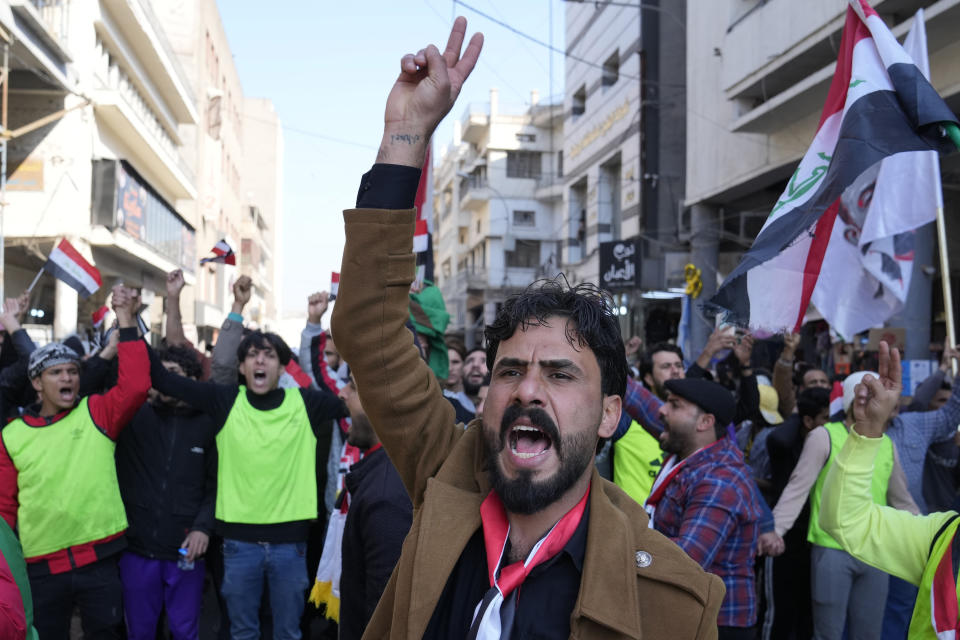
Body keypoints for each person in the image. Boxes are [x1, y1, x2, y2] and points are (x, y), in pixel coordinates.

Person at [331, 17, 723, 639]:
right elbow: (368, 329)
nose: (527, 390)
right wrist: (406, 135)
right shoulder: (449, 469)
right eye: (510, 370)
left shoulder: (674, 605)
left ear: (608, 415)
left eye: (561, 374)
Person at [148, 329, 348, 640]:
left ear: (282, 368)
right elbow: (163, 380)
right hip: (237, 546)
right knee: (242, 633)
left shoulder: (307, 403)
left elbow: (353, 399)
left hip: (290, 545)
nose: (261, 361)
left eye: (269, 355)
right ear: (242, 367)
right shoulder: (224, 400)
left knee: (287, 633)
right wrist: (128, 324)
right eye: (253, 355)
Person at [0, 286, 148, 638]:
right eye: (56, 373)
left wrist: (125, 321)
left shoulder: (96, 412)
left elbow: (137, 386)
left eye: (72, 371)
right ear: (37, 383)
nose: (67, 377)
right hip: (39, 569)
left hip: (100, 562)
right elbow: (4, 512)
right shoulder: (12, 435)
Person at [819, 341, 960, 639]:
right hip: (847, 550)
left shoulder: (916, 425)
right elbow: (846, 520)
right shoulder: (945, 539)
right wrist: (867, 430)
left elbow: (948, 416)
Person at [772, 371, 919, 640]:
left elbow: (901, 499)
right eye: (863, 397)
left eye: (874, 398)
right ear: (851, 400)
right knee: (828, 634)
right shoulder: (824, 436)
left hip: (876, 551)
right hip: (831, 550)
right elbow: (798, 487)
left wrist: (927, 541)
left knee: (869, 635)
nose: (869, 404)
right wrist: (776, 530)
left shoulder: (886, 444)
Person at [114, 344, 217, 640]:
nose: (164, 382)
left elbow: (216, 484)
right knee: (140, 632)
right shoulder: (133, 416)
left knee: (185, 631)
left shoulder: (209, 423)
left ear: (192, 381)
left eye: (173, 375)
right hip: (137, 548)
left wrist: (203, 528)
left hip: (186, 549)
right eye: (160, 374)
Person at [650, 378, 764, 638]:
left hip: (718, 623)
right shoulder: (690, 449)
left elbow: (687, 559)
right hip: (692, 612)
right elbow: (641, 404)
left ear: (705, 423)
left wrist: (619, 540)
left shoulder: (718, 480)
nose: (662, 410)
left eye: (674, 405)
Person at [337, 374, 412, 640]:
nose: (342, 393)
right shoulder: (384, 477)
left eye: (354, 387)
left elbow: (384, 623)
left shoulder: (386, 497)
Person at [764, 386, 830, 640]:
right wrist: (795, 416)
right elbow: (777, 438)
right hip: (784, 538)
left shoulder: (829, 441)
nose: (830, 426)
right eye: (824, 419)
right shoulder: (785, 443)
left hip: (812, 537)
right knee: (780, 612)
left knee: (807, 612)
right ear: (807, 421)